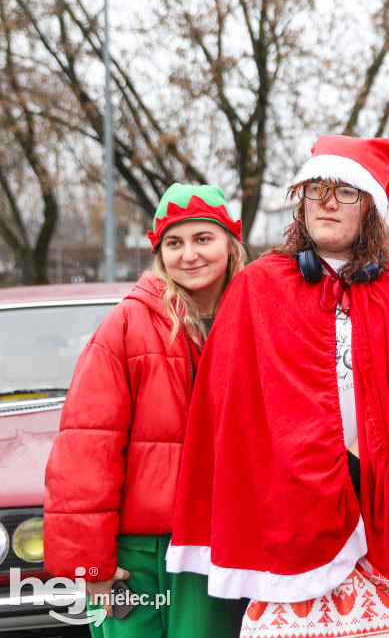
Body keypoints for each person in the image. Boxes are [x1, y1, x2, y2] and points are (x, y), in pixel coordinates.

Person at [167, 135, 389, 638]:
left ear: (372, 208)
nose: (328, 202)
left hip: (381, 505)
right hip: (285, 512)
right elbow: (230, 411)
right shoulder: (258, 287)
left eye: (346, 192)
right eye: (316, 189)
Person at [44, 183, 246, 637]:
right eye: (174, 243)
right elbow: (86, 447)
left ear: (230, 246)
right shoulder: (127, 326)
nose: (189, 254)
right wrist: (89, 565)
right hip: (139, 552)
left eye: (203, 238)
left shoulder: (253, 322)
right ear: (159, 253)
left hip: (222, 542)